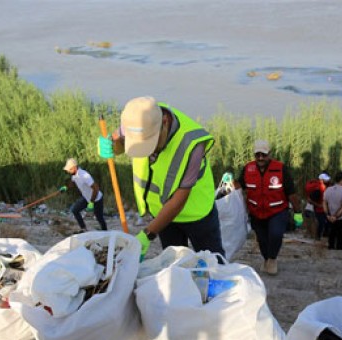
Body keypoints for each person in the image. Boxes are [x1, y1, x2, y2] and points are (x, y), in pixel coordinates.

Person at [101, 96, 225, 259]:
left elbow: (179, 200)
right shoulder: (138, 119)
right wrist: (111, 145)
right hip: (162, 214)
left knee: (213, 262)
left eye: (152, 143)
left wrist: (147, 234)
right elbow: (119, 141)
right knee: (174, 262)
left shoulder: (192, 144)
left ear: (165, 122)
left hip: (196, 214)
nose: (150, 152)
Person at [237, 139, 302, 275]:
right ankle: (266, 258)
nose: (260, 158)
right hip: (256, 212)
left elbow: (291, 193)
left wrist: (298, 212)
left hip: (277, 211)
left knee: (276, 234)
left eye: (264, 154)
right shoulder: (248, 169)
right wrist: (228, 186)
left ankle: (272, 259)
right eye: (257, 155)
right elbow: (238, 186)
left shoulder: (280, 169)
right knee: (261, 238)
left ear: (270, 154)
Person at [61, 157, 107, 233]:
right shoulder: (74, 175)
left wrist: (91, 202)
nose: (68, 171)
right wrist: (66, 187)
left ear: (74, 167)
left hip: (97, 199)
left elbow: (96, 188)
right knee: (75, 210)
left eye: (69, 169)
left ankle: (105, 232)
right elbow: (72, 182)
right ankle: (83, 228)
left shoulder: (84, 175)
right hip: (86, 198)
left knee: (99, 217)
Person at [323, 171, 342, 250]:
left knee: (331, 239)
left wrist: (328, 215)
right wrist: (335, 216)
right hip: (340, 219)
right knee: (340, 240)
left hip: (329, 218)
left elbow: (324, 203)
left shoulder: (328, 190)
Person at [305, 173, 330, 240]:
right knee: (321, 224)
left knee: (326, 224)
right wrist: (318, 205)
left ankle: (322, 239)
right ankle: (317, 238)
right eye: (326, 180)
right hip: (319, 210)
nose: (328, 181)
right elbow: (309, 200)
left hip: (325, 210)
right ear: (321, 180)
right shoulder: (317, 189)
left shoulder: (326, 187)